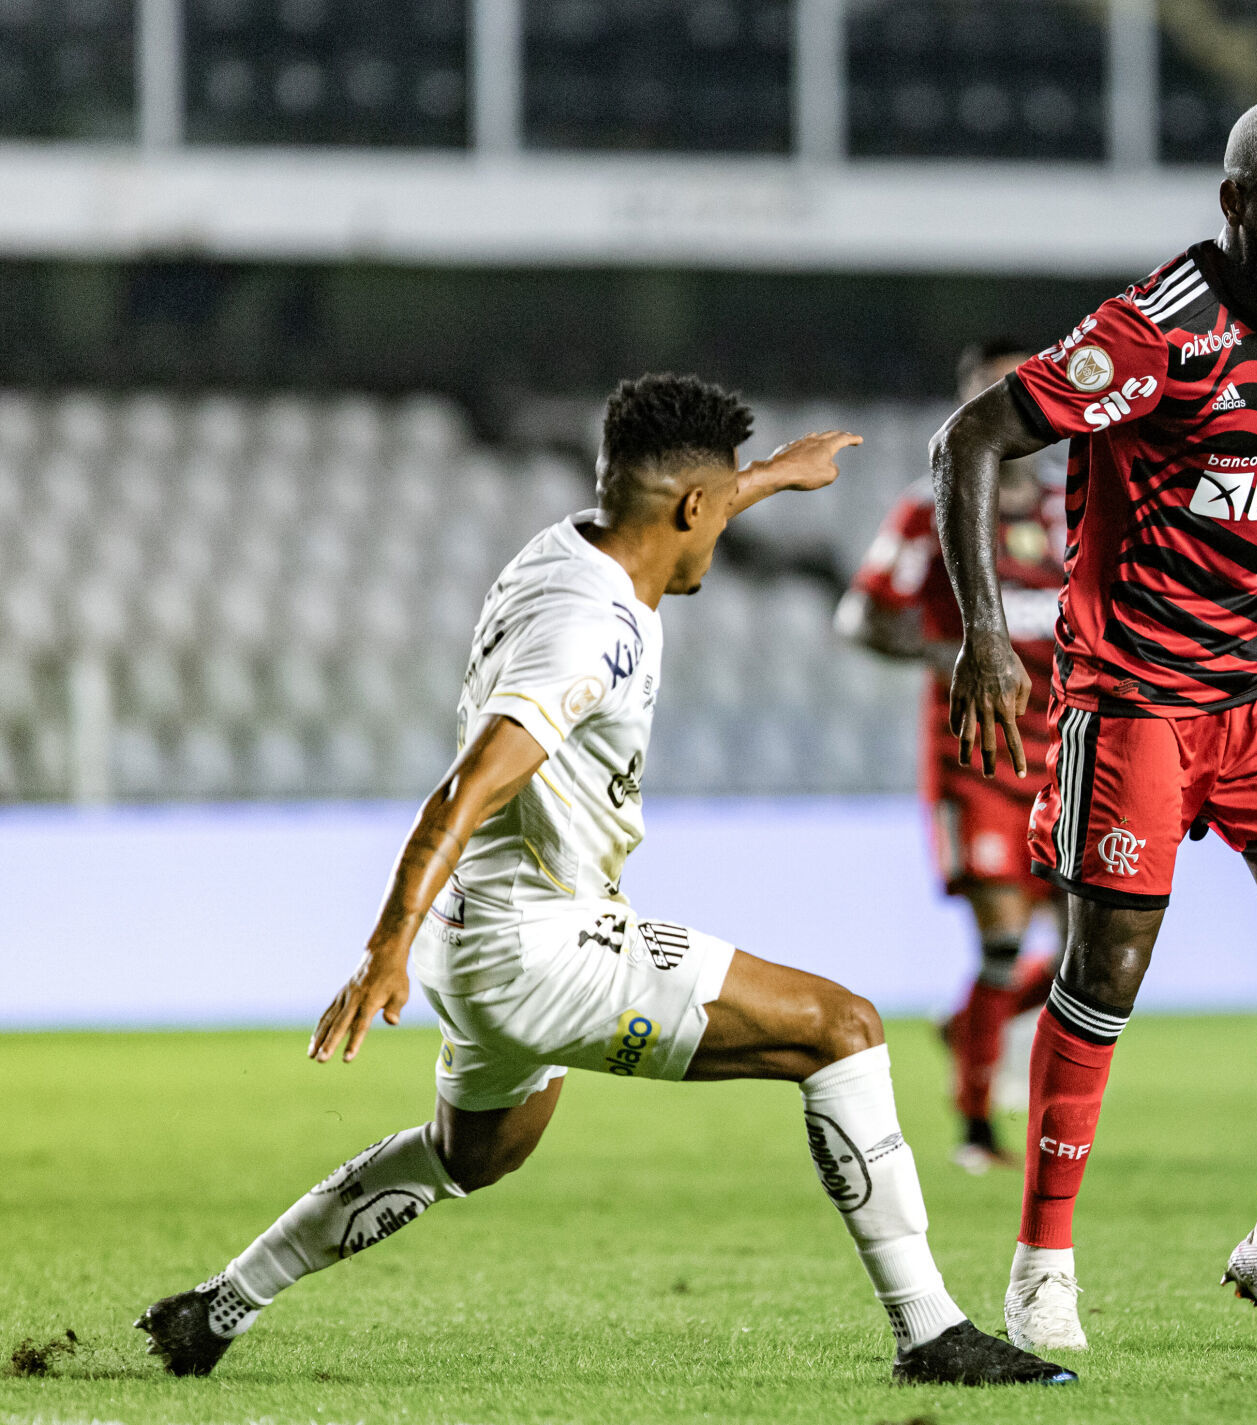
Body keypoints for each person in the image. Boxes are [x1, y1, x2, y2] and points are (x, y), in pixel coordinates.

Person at [133, 374, 1074, 1388]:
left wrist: (760, 479)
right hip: (533, 943)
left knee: (474, 1154)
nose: (712, 537)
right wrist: (379, 953)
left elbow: (672, 512)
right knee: (841, 1030)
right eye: (715, 509)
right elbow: (466, 786)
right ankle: (932, 1334)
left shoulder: (569, 545)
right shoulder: (589, 631)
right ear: (686, 509)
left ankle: (216, 1308)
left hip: (476, 936)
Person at [930, 99, 1257, 1350]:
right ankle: (1040, 1263)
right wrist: (988, 636)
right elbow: (973, 435)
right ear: (1232, 209)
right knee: (1107, 965)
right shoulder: (1153, 331)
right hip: (1141, 697)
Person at [837, 339, 1064, 1175]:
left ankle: (972, 1021)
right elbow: (861, 616)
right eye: (990, 389)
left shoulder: (1073, 506)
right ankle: (977, 1127)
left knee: (1096, 950)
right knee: (1002, 944)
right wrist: (952, 651)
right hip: (978, 754)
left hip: (1067, 752)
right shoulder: (928, 505)